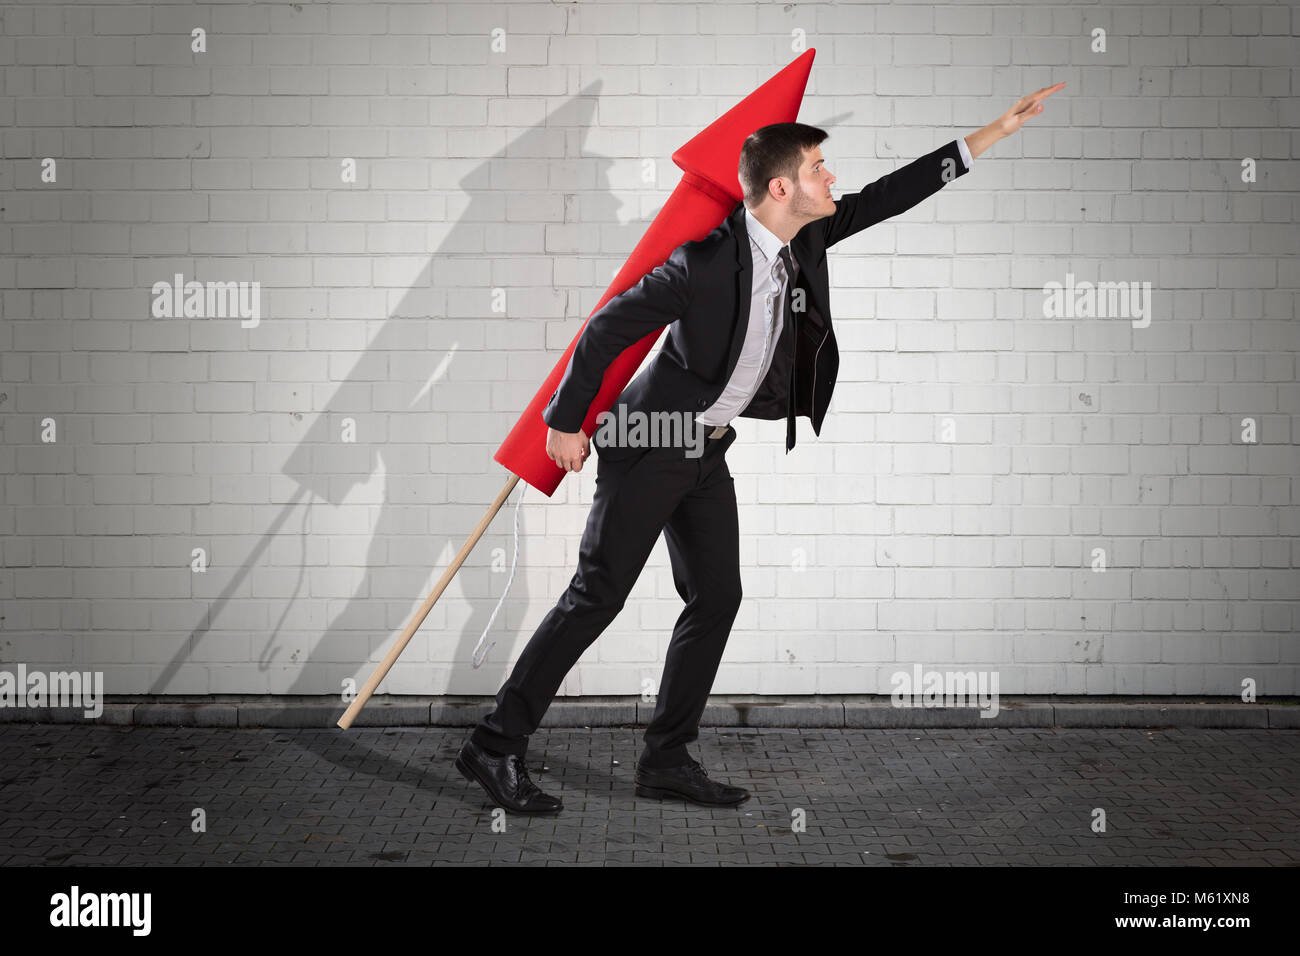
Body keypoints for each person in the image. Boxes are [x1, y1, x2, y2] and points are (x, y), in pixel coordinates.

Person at [456, 83, 1066, 814]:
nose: (830, 179)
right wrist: (565, 420)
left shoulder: (806, 238)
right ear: (781, 187)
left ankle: (666, 759)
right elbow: (608, 327)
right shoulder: (704, 263)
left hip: (706, 449)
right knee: (597, 596)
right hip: (651, 441)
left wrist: (991, 133)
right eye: (817, 168)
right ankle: (492, 747)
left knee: (717, 595)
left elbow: (890, 195)